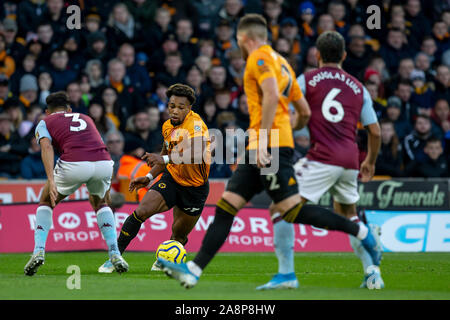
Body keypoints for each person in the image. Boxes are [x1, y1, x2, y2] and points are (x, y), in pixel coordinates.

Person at [159, 16, 381, 290]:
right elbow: (304, 113)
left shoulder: (258, 58)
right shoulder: (284, 64)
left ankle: (359, 231)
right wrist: (276, 134)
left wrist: (266, 140)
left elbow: (273, 95)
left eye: (237, 41)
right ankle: (193, 270)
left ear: (244, 38)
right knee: (227, 206)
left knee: (290, 210)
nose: (236, 46)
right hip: (264, 144)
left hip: (269, 145)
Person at [257, 30, 384, 290]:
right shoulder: (359, 87)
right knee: (349, 215)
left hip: (322, 157)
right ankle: (373, 273)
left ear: (317, 55)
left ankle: (286, 275)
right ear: (344, 55)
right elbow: (376, 131)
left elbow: (289, 108)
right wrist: (369, 161)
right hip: (350, 161)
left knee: (280, 208)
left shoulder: (306, 79)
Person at [98, 83, 211, 273]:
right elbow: (166, 155)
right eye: (171, 106)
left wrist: (164, 158)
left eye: (180, 107)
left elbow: (197, 154)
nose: (174, 111)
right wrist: (149, 176)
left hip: (195, 188)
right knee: (141, 211)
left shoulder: (196, 126)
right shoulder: (167, 126)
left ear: (189, 108)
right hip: (173, 178)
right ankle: (114, 257)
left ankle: (165, 259)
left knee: (179, 234)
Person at [24, 91, 128, 276]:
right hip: (103, 163)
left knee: (46, 201)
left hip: (75, 163)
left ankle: (38, 251)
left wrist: (50, 179)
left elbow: (46, 147)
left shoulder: (45, 122)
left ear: (48, 111)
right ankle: (115, 253)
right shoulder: (86, 118)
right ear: (69, 109)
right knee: (100, 203)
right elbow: (100, 144)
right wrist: (108, 183)